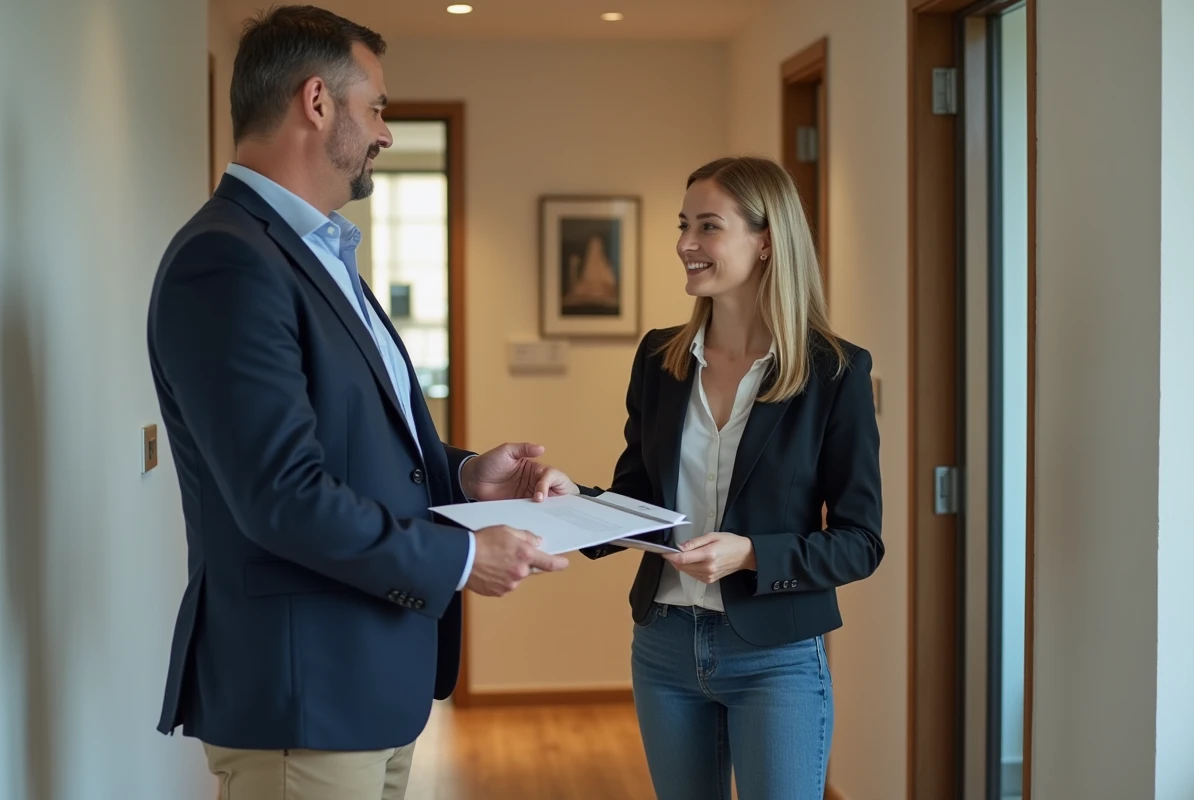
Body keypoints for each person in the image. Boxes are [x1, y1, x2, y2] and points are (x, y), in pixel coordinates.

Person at [146, 6, 568, 798]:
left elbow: (353, 441)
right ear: (316, 102)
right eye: (375, 106)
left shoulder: (315, 251)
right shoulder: (227, 262)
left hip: (368, 684)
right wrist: (466, 555)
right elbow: (282, 495)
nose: (385, 131)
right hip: (301, 698)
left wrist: (467, 473)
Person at [531, 156, 884, 800]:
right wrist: (572, 501)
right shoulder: (659, 359)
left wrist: (749, 553)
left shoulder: (835, 372)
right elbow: (639, 495)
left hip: (776, 655)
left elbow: (861, 541)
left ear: (767, 240)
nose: (685, 245)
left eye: (708, 227)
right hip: (663, 647)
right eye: (683, 225)